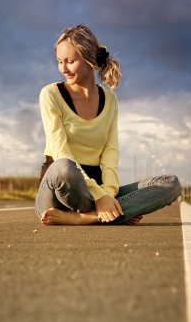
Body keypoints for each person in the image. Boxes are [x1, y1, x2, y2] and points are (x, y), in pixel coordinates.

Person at [35, 24, 181, 225]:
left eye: (70, 61)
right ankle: (112, 213)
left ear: (89, 60)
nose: (63, 68)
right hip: (59, 191)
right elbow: (61, 153)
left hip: (98, 190)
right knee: (64, 167)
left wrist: (108, 195)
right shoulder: (51, 94)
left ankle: (87, 217)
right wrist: (100, 197)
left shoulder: (110, 100)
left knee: (170, 183)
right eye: (60, 61)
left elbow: (111, 154)